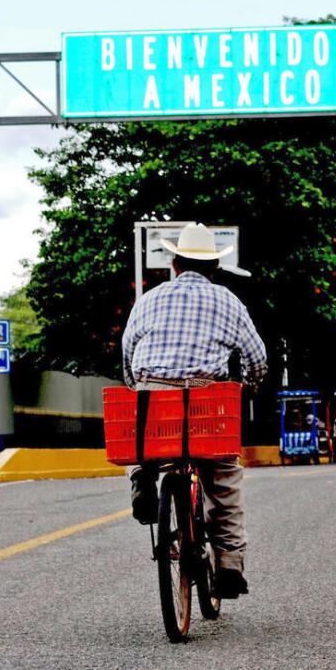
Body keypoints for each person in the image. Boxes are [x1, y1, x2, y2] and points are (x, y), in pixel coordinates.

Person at [121, 222, 267, 599]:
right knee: (223, 480)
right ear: (214, 268)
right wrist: (248, 385)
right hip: (207, 402)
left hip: (154, 397)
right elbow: (257, 359)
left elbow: (128, 355)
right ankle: (230, 567)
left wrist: (138, 384)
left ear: (174, 264)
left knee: (143, 438)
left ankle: (142, 474)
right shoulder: (229, 301)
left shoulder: (148, 300)